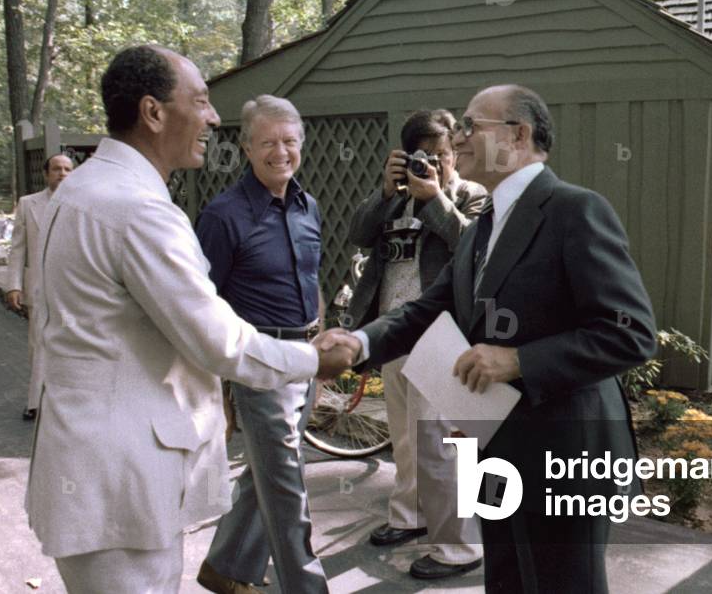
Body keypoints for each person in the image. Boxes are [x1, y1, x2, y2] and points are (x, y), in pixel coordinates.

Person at [24, 45, 353, 594]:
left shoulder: (83, 188)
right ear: (154, 113)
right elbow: (217, 338)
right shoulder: (139, 209)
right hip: (123, 481)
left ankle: (229, 566)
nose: (212, 118)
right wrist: (312, 359)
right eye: (200, 101)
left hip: (92, 465)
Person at [321, 84, 657, 592]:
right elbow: (428, 309)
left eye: (471, 125)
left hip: (565, 450)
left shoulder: (575, 211)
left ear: (518, 135)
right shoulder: (483, 227)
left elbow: (630, 333)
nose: (457, 137)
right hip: (495, 444)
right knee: (506, 582)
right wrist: (358, 344)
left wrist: (518, 360)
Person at [193, 95, 328, 594]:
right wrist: (218, 387)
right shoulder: (223, 216)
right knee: (288, 485)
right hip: (257, 368)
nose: (281, 152)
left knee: (268, 474)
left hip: (305, 361)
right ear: (247, 148)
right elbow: (199, 307)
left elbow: (308, 278)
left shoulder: (307, 206)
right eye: (268, 142)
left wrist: (322, 332)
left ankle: (226, 567)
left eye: (290, 141)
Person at [347, 109, 487, 579]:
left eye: (444, 155)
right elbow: (359, 235)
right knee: (406, 439)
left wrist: (436, 200)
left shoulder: (472, 196)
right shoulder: (394, 197)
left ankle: (459, 547)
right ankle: (410, 517)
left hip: (443, 335)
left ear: (455, 156)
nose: (436, 164)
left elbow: (476, 251)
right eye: (424, 156)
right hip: (395, 331)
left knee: (443, 444)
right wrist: (387, 192)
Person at [5, 152, 74, 420]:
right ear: (47, 174)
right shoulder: (28, 204)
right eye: (57, 169)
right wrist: (13, 285)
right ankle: (35, 402)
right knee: (39, 344)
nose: (62, 174)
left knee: (71, 344)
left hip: (72, 290)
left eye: (68, 169)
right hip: (38, 288)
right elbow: (17, 248)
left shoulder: (80, 205)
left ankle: (65, 402)